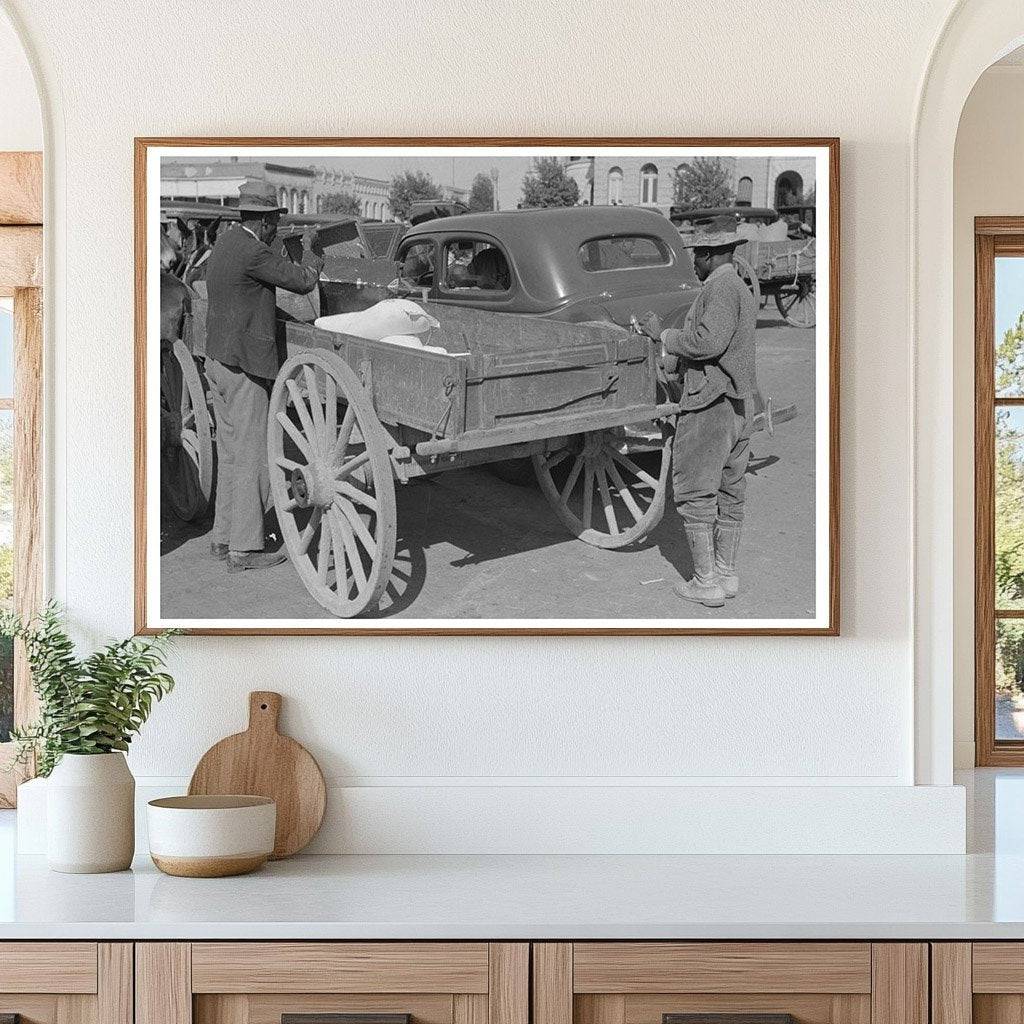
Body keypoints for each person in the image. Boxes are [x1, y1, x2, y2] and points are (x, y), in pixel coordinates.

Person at [204, 179, 324, 573]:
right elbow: (304, 281)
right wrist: (311, 253)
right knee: (254, 455)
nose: (275, 227)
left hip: (219, 360)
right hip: (243, 366)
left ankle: (223, 539)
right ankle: (245, 549)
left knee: (232, 454)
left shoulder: (226, 241)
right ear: (269, 221)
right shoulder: (254, 252)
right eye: (274, 220)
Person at [640, 215, 758, 608]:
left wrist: (664, 335)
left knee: (696, 494)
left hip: (711, 404)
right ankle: (725, 575)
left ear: (708, 255)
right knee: (730, 490)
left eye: (696, 255)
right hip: (738, 405)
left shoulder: (722, 288)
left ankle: (705, 582)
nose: (693, 262)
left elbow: (708, 342)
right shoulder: (738, 286)